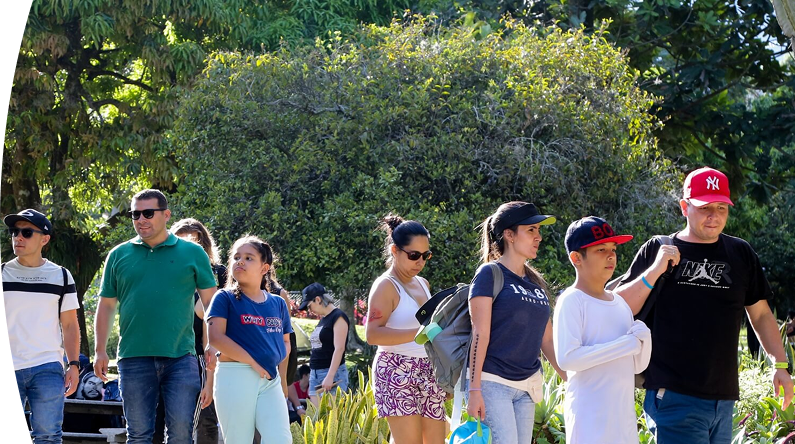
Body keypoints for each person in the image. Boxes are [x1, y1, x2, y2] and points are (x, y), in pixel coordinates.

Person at [615, 167, 795, 443]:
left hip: (723, 400)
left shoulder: (741, 253)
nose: (714, 216)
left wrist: (779, 364)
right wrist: (654, 270)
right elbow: (618, 308)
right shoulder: (658, 249)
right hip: (673, 396)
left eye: (722, 208)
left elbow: (760, 315)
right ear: (684, 207)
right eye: (705, 207)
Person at [93, 189, 218, 444]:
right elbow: (106, 305)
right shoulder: (118, 255)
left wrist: (213, 343)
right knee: (138, 436)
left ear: (166, 215)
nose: (141, 219)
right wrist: (99, 350)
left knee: (181, 435)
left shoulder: (193, 254)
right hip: (133, 358)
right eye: (135, 214)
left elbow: (212, 303)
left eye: (148, 213)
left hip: (181, 359)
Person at [466, 201, 566, 444]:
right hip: (493, 383)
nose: (538, 237)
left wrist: (571, 379)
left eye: (539, 231)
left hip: (528, 386)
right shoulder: (489, 274)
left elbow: (547, 339)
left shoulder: (536, 284)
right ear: (509, 235)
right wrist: (475, 390)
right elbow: (480, 334)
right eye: (531, 230)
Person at [553, 216, 651, 444]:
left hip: (623, 421)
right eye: (600, 249)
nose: (611, 256)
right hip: (589, 421)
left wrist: (644, 341)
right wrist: (625, 345)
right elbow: (568, 359)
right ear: (576, 258)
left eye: (613, 249)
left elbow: (637, 364)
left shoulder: (620, 304)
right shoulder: (572, 300)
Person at [365, 215, 447, 444]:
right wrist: (417, 334)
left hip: (428, 369)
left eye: (425, 255)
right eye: (413, 255)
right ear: (395, 250)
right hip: (395, 369)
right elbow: (372, 334)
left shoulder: (423, 283)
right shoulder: (386, 286)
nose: (420, 261)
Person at [3, 209, 81, 443]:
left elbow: (69, 325)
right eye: (14, 231)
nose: (18, 237)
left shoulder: (61, 276)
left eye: (26, 232)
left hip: (47, 367)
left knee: (48, 435)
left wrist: (74, 365)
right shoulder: (3, 272)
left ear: (44, 239)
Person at [207, 235, 293, 444]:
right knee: (239, 440)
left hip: (269, 379)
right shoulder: (224, 297)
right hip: (234, 376)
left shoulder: (278, 303)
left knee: (280, 439)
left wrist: (282, 381)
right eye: (236, 257)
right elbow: (216, 337)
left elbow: (286, 343)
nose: (240, 262)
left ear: (265, 268)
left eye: (248, 258)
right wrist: (253, 361)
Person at [151, 218, 226, 444]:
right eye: (181, 241)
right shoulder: (159, 270)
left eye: (195, 242)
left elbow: (216, 315)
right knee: (158, 418)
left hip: (202, 354)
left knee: (205, 419)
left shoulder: (217, 273)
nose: (189, 247)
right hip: (163, 352)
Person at [298, 282, 350, 406]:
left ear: (318, 299)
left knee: (330, 419)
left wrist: (330, 376)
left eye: (309, 306)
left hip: (330, 373)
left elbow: (339, 348)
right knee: (317, 419)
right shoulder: (324, 319)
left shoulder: (338, 317)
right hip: (315, 372)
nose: (309, 311)